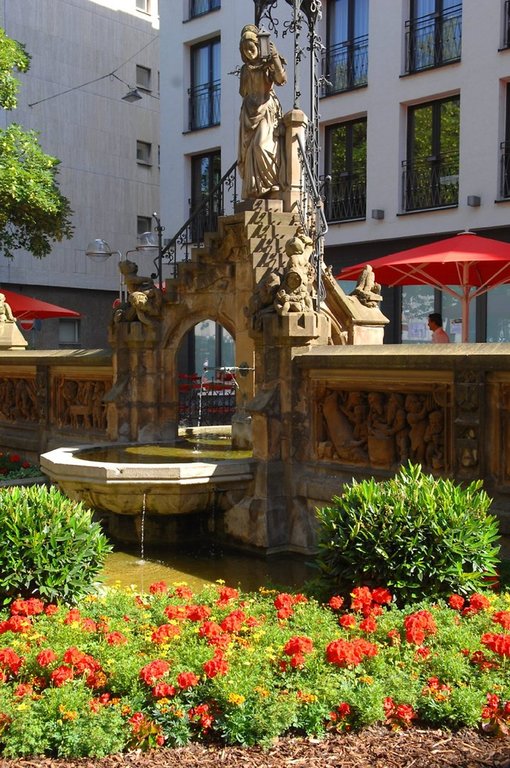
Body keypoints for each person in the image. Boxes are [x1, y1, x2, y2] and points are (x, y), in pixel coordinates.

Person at [237, 24, 287, 200]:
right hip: (248, 112)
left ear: (258, 46)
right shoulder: (245, 69)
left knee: (261, 146)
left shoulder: (268, 64)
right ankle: (253, 190)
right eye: (245, 49)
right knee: (248, 152)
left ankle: (270, 184)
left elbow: (281, 79)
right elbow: (243, 92)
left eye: (251, 47)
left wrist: (274, 57)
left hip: (265, 108)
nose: (249, 52)